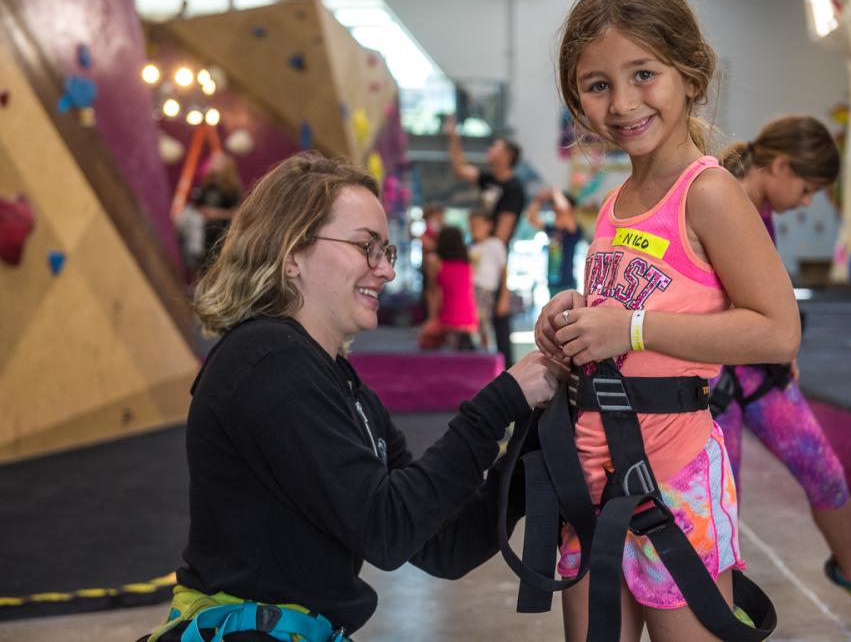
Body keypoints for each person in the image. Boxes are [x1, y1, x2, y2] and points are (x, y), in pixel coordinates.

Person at [139, 152, 564, 642]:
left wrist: (530, 447)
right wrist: (501, 402)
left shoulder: (331, 375)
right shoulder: (269, 362)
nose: (383, 270)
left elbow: (444, 544)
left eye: (386, 252)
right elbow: (387, 528)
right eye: (366, 247)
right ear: (291, 253)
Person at [533, 0, 801, 639]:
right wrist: (574, 315)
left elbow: (778, 332)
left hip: (674, 479)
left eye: (643, 74)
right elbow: (636, 301)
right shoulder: (614, 201)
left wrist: (631, 327)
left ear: (689, 72)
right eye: (597, 86)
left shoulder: (708, 193)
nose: (623, 103)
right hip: (593, 474)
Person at [714, 115, 851, 634]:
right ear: (779, 165)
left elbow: (762, 289)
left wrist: (780, 337)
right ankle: (720, 600)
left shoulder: (762, 210)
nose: (808, 202)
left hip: (756, 367)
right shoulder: (718, 197)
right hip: (712, 379)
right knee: (723, 503)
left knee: (824, 470)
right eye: (808, 188)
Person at [444, 116, 525, 367]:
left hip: (495, 257)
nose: (489, 151)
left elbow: (502, 236)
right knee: (479, 320)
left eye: (495, 148)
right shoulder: (489, 179)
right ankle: (480, 365)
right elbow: (460, 168)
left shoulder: (513, 188)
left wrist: (502, 291)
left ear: (507, 156)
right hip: (483, 251)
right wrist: (453, 137)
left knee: (497, 320)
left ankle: (505, 371)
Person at [422, 225, 479, 350]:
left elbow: (433, 292)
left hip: (447, 315)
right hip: (469, 317)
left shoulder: (435, 262)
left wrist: (432, 318)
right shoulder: (469, 263)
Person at [190, 152, 244, 273]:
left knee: (213, 261)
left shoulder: (233, 189)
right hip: (202, 227)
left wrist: (215, 213)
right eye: (213, 163)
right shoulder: (207, 184)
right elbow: (198, 204)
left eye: (217, 163)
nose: (213, 165)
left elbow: (237, 213)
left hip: (220, 231)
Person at [526, 187, 584, 297]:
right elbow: (531, 218)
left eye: (557, 211)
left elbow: (565, 210)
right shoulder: (551, 229)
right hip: (552, 283)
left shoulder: (574, 231)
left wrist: (555, 192)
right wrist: (539, 200)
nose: (555, 212)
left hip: (567, 284)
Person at [469, 209, 508, 351]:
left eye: (477, 225)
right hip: (471, 290)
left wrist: (504, 297)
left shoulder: (496, 244)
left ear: (488, 225)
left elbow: (504, 272)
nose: (474, 228)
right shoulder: (471, 246)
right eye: (472, 225)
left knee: (484, 325)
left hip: (486, 291)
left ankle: (487, 354)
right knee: (474, 326)